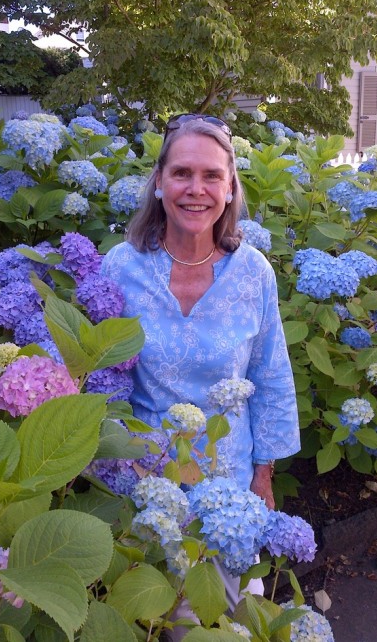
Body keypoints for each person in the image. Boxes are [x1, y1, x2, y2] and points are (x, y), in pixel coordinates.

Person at [101, 113, 300, 635]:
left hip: (225, 488)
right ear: (160, 181)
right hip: (142, 479)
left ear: (231, 186)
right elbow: (98, 376)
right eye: (182, 173)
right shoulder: (120, 267)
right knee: (144, 616)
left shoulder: (254, 271)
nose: (197, 189)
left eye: (212, 175)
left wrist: (263, 475)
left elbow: (271, 374)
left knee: (204, 623)